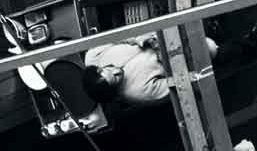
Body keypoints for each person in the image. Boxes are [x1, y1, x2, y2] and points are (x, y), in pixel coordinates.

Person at [80, 32, 216, 109]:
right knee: (210, 47)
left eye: (109, 70)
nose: (117, 72)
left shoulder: (93, 56)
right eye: (115, 79)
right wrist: (165, 60)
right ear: (114, 92)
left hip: (160, 31)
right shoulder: (137, 93)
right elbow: (180, 83)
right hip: (179, 56)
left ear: (99, 68)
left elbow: (122, 34)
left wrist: (141, 39)